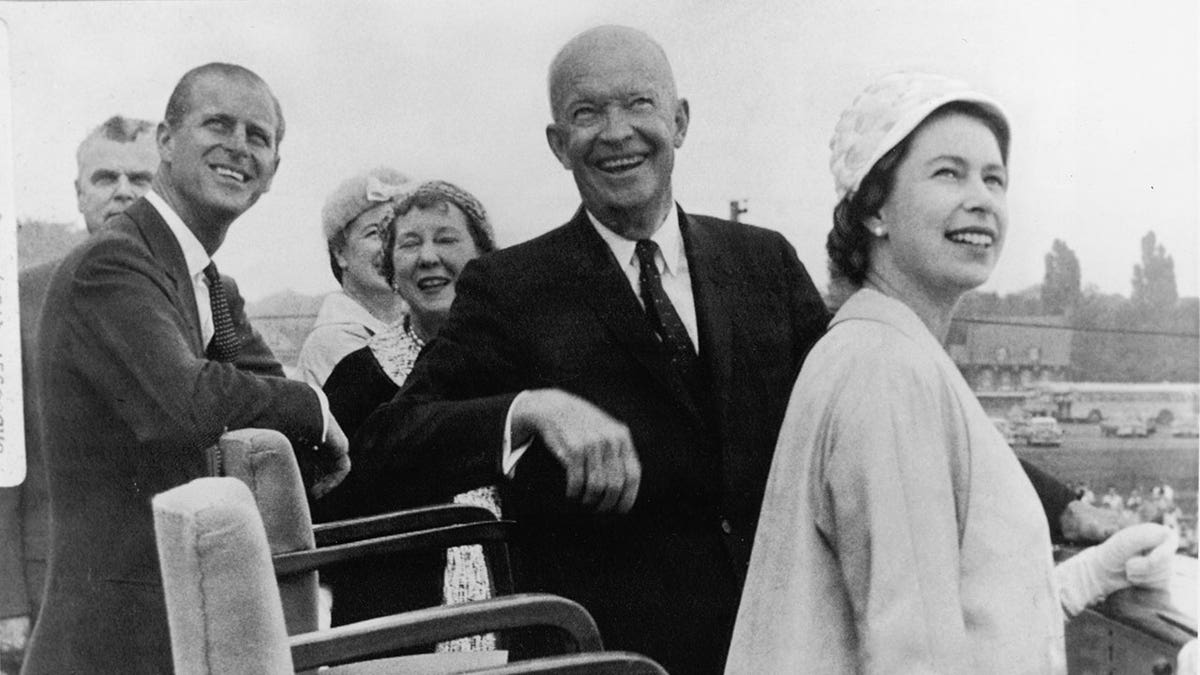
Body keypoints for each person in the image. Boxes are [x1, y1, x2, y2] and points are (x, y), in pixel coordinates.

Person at [354, 25, 831, 673]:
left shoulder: (764, 261)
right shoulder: (509, 288)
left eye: (639, 104)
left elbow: (837, 428)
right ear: (558, 143)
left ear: (680, 120)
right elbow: (389, 444)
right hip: (604, 656)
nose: (615, 132)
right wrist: (529, 409)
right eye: (586, 113)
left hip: (777, 644)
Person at [726, 72, 1177, 673]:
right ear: (874, 210)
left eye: (995, 179)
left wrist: (1093, 573)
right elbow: (914, 656)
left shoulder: (881, 349)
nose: (982, 198)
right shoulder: (887, 372)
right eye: (948, 173)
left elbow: (956, 607)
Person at [21, 63, 350, 675]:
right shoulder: (114, 261)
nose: (238, 146)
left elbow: (266, 389)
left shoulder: (205, 281)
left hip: (177, 629)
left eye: (258, 136)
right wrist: (317, 413)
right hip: (110, 645)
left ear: (273, 171)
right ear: (166, 143)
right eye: (217, 123)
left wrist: (311, 420)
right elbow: (189, 403)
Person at [0, 115, 158, 673]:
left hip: (163, 576)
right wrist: (7, 601)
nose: (122, 192)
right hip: (56, 583)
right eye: (105, 177)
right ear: (79, 192)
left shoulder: (197, 289)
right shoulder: (20, 298)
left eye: (140, 179)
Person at [317, 180, 499, 650]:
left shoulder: (525, 366)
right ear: (390, 269)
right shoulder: (356, 380)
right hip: (395, 641)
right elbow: (327, 524)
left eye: (447, 239)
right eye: (410, 243)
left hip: (531, 626)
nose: (428, 257)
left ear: (483, 256)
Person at [295, 167, 412, 386]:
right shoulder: (334, 341)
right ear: (340, 253)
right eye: (375, 233)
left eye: (401, 233)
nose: (390, 248)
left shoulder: (411, 325)